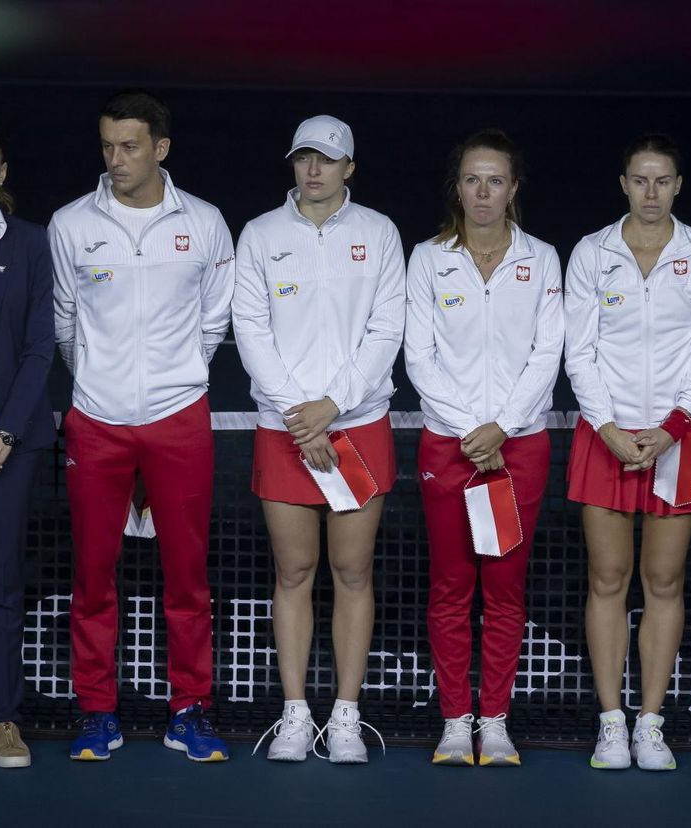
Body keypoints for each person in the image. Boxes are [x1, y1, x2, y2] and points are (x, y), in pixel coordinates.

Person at [49, 89, 235, 762]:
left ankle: (189, 710)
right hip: (95, 421)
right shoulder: (72, 224)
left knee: (187, 578)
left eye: (130, 146)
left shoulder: (207, 223)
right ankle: (98, 712)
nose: (116, 158)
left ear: (161, 147)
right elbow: (67, 325)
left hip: (179, 417)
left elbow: (215, 319)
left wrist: (178, 376)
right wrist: (98, 384)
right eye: (106, 145)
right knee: (93, 577)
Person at [234, 115, 404, 763]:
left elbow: (387, 329)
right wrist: (298, 414)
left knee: (352, 571)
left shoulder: (380, 233)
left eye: (327, 160)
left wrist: (333, 406)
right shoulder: (260, 235)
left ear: (348, 169)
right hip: (286, 432)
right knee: (295, 571)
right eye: (304, 158)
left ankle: (345, 717)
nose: (313, 170)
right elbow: (251, 330)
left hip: (357, 429)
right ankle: (297, 714)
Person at [564, 133, 691, 770]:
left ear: (678, 186)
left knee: (663, 581)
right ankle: (612, 723)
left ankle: (650, 722)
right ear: (625, 184)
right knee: (608, 580)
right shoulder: (590, 253)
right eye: (640, 181)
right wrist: (607, 427)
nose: (651, 193)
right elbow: (579, 351)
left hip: (676, 438)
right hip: (604, 436)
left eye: (663, 181)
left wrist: (672, 427)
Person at [404, 129, 564, 766]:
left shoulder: (543, 259)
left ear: (513, 189)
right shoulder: (427, 258)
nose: (483, 192)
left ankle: (493, 721)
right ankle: (454, 720)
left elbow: (546, 353)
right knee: (449, 588)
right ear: (458, 188)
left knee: (503, 589)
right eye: (472, 179)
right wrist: (474, 429)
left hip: (518, 449)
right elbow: (419, 356)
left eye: (495, 180)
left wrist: (504, 426)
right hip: (450, 446)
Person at [0, 119, 56, 769]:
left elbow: (41, 347)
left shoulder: (31, 246)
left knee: (1, 581)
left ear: (1, 173)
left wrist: (4, 431)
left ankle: (3, 718)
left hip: (12, 427)